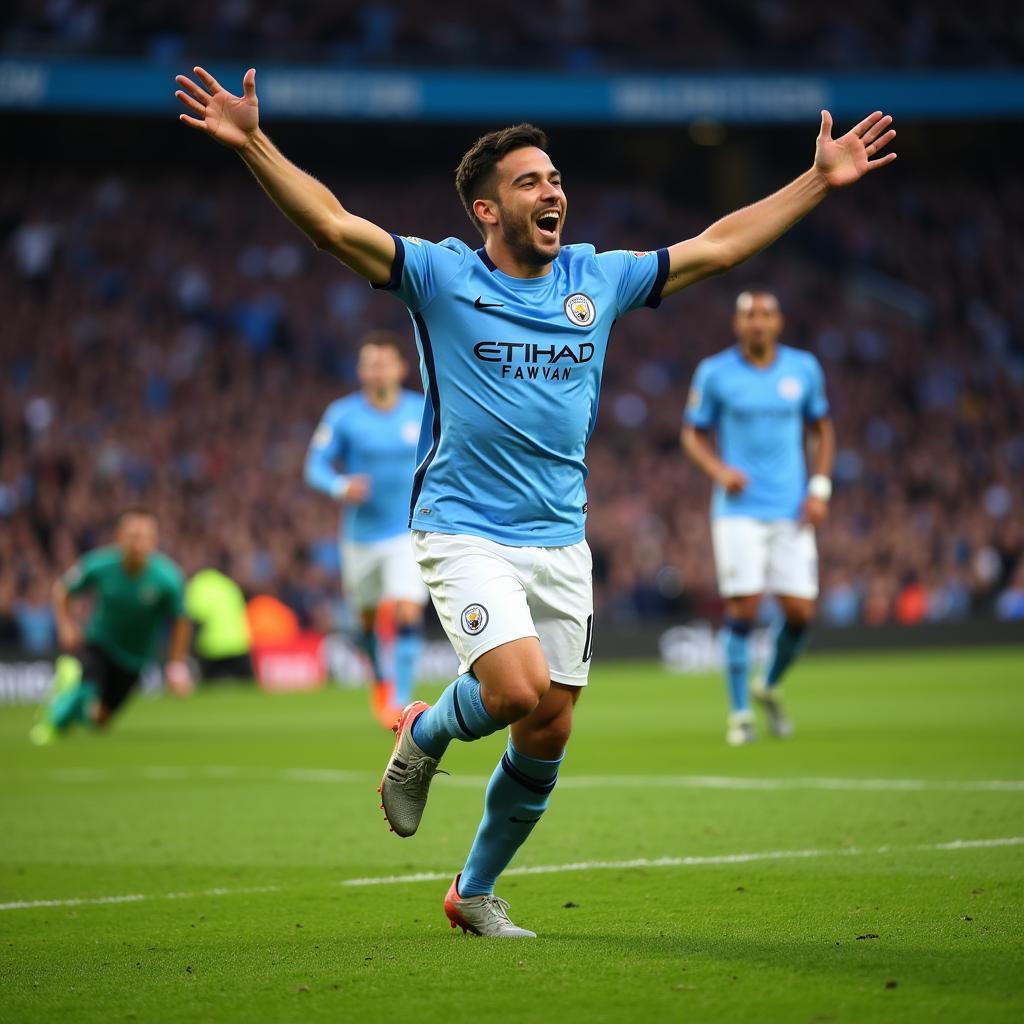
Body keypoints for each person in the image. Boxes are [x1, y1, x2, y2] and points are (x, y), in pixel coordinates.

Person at [174, 64, 895, 937]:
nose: (552, 191)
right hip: (462, 529)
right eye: (529, 182)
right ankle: (424, 734)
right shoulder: (439, 278)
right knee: (515, 689)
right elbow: (331, 226)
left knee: (547, 732)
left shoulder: (598, 278)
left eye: (555, 179)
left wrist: (817, 180)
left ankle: (472, 893)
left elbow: (720, 246)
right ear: (487, 210)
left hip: (561, 541)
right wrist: (254, 141)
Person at [682, 290, 835, 745]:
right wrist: (719, 470)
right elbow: (691, 433)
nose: (757, 323)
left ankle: (767, 683)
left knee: (801, 613)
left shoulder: (803, 369)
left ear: (779, 322)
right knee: (743, 607)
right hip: (739, 512)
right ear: (737, 324)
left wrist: (820, 489)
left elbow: (823, 429)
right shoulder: (715, 373)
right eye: (749, 315)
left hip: (791, 508)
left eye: (766, 315)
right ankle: (740, 713)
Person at [304, 333, 427, 727]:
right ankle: (379, 674)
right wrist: (341, 486)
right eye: (370, 364)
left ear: (401, 368)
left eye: (384, 363)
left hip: (408, 530)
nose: (378, 370)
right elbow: (314, 466)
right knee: (366, 621)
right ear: (361, 371)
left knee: (407, 608)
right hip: (361, 537)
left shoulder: (422, 410)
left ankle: (400, 700)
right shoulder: (343, 415)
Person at [30, 508, 192, 744]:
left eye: (144, 537)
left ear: (154, 541)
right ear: (120, 537)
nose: (138, 543)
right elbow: (62, 590)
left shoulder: (168, 579)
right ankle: (52, 725)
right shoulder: (99, 565)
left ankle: (67, 698)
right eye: (133, 536)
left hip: (135, 659)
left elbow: (180, 620)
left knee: (99, 721)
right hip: (100, 643)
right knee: (86, 687)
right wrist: (67, 627)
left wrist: (176, 665)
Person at [185, 565, 253, 682]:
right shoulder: (229, 585)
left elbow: (196, 617)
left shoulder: (199, 586)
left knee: (209, 689)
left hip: (213, 647)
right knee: (248, 687)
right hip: (239, 643)